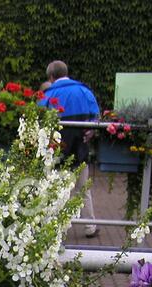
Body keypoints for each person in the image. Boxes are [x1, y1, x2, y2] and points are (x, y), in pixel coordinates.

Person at [39, 60, 100, 237]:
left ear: (51, 77)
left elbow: (39, 120)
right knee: (83, 190)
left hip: (56, 152)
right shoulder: (85, 91)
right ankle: (90, 227)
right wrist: (90, 132)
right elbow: (96, 118)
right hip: (80, 150)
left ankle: (56, 228)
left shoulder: (48, 95)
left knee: (56, 191)